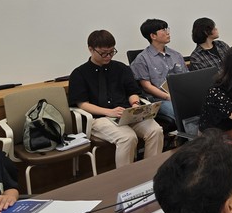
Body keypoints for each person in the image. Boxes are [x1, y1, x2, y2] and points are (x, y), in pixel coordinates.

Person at [69, 30, 163, 168]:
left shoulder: (121, 68)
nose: (108, 56)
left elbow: (132, 92)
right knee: (127, 137)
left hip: (126, 113)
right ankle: (125, 178)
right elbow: (82, 104)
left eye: (112, 52)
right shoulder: (79, 74)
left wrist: (135, 104)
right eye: (104, 53)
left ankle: (151, 171)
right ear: (91, 49)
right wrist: (108, 112)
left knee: (156, 131)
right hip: (100, 118)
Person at [131, 19, 188, 122]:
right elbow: (147, 87)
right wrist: (168, 97)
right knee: (181, 111)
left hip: (182, 94)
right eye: (163, 30)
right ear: (153, 36)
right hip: (161, 99)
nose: (168, 33)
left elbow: (187, 76)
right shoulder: (142, 59)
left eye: (167, 29)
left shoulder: (176, 55)